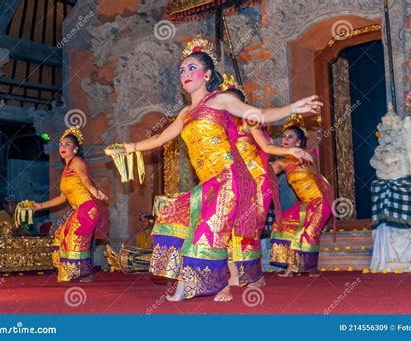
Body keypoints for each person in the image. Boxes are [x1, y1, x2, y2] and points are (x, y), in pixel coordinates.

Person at [112, 36, 322, 301]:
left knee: (211, 232)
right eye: (181, 70)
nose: (185, 74)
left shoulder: (220, 100)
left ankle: (210, 284)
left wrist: (294, 107)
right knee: (171, 214)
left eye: (191, 68)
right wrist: (129, 148)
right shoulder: (185, 113)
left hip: (228, 178)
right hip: (209, 183)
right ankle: (197, 281)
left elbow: (256, 114)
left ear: (207, 73)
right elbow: (159, 139)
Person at [221, 78, 314, 288]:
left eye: (231, 103)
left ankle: (252, 275)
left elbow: (267, 147)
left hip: (256, 180)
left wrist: (290, 150)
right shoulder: (223, 128)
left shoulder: (249, 121)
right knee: (228, 225)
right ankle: (235, 274)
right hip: (235, 179)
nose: (228, 108)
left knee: (248, 228)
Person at [32, 126, 108, 282]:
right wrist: (39, 206)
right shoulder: (65, 170)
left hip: (87, 208)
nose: (63, 147)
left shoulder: (77, 162)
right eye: (61, 144)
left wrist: (95, 191)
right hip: (78, 210)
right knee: (60, 235)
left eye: (67, 144)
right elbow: (61, 198)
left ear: (75, 149)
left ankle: (82, 273)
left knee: (75, 240)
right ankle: (85, 273)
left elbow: (85, 179)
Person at [270, 117, 334, 277]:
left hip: (321, 202)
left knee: (308, 233)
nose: (285, 139)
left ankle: (308, 268)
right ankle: (292, 268)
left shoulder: (306, 156)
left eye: (290, 137)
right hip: (307, 203)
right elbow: (264, 174)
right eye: (284, 137)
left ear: (298, 143)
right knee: (283, 224)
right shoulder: (281, 163)